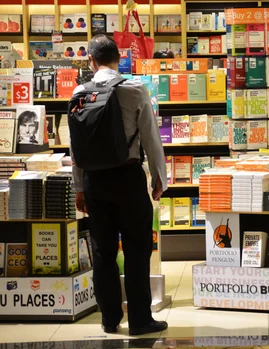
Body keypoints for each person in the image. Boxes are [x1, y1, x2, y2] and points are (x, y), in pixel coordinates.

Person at [71, 35, 168, 336]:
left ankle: (109, 319)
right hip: (127, 178)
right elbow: (151, 138)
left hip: (94, 181)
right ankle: (140, 319)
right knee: (138, 249)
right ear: (118, 59)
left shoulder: (79, 92)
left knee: (103, 252)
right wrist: (158, 178)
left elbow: (76, 146)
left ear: (92, 61)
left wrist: (78, 187)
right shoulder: (134, 89)